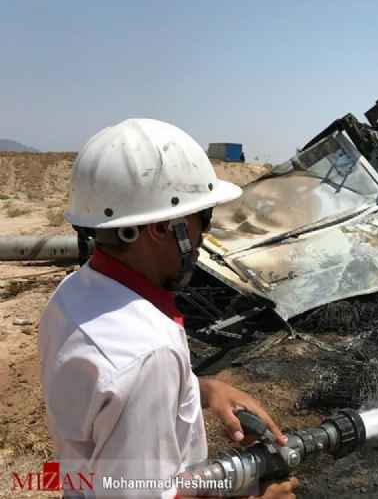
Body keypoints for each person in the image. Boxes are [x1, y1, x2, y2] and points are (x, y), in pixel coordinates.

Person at [38, 119, 299, 499]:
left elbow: (106, 404)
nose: (202, 237)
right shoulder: (148, 354)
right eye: (202, 220)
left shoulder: (75, 293)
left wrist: (201, 390)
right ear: (163, 229)